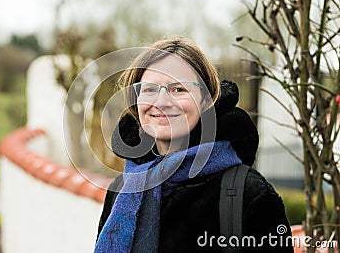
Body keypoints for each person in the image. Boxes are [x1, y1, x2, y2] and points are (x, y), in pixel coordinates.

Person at [95, 37, 294, 252]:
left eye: (178, 89)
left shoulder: (249, 193)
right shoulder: (121, 189)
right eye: (149, 89)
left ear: (206, 100)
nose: (161, 102)